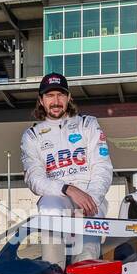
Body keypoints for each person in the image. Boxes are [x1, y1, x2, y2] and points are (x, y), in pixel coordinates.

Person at [20, 73, 113, 217]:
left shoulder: (87, 124)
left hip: (90, 195)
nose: (56, 101)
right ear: (41, 100)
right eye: (49, 95)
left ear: (69, 97)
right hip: (56, 195)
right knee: (50, 210)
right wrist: (67, 188)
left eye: (61, 95)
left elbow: (102, 167)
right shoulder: (32, 136)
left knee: (87, 234)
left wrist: (91, 199)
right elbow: (35, 179)